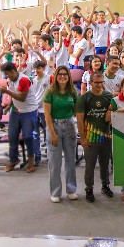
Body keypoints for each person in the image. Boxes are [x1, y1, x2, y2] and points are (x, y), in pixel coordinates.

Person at [76, 72, 114, 203]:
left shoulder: (108, 96)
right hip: (90, 138)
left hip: (106, 137)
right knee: (90, 165)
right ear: (91, 82)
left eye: (101, 82)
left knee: (105, 164)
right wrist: (82, 138)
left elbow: (113, 114)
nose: (99, 85)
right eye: (96, 82)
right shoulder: (84, 98)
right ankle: (89, 188)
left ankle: (105, 185)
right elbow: (80, 120)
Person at [44, 66, 78, 203]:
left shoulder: (72, 92)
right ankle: (55, 192)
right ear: (56, 76)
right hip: (54, 126)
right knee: (54, 162)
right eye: (60, 74)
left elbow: (76, 109)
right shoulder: (50, 93)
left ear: (69, 77)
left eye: (65, 74)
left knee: (70, 160)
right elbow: (47, 114)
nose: (62, 76)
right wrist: (53, 133)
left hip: (69, 125)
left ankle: (71, 190)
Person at [0, 62, 39, 173]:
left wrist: (6, 91)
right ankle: (13, 159)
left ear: (13, 71)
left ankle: (31, 160)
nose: (6, 76)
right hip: (16, 111)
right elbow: (13, 95)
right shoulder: (10, 80)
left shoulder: (24, 80)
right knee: (12, 136)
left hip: (29, 111)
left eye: (7, 74)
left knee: (28, 136)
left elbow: (22, 97)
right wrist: (9, 106)